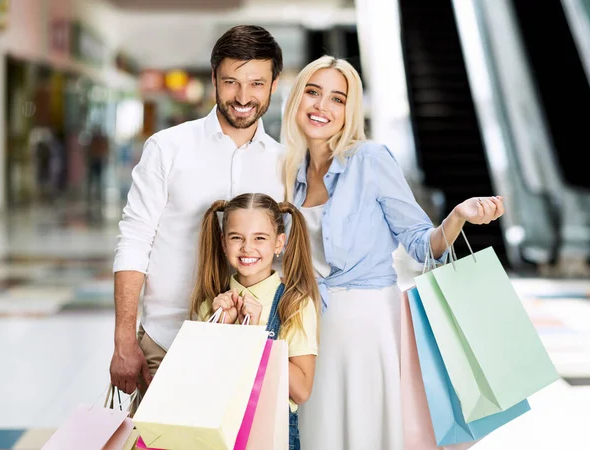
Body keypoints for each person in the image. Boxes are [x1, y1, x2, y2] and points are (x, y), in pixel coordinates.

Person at [281, 55, 505, 450]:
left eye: (338, 98)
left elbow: (421, 243)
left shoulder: (369, 159)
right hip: (312, 329)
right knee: (320, 435)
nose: (322, 107)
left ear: (350, 110)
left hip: (369, 325)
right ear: (297, 97)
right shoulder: (291, 176)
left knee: (371, 433)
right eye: (313, 93)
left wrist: (457, 216)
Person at [109, 25, 285, 400]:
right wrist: (125, 339)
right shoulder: (167, 148)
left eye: (256, 83)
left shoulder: (285, 163)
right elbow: (135, 240)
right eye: (231, 82)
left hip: (252, 348)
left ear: (274, 83)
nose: (242, 96)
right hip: (168, 338)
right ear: (214, 80)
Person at [190, 192, 320, 449]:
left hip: (272, 436)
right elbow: (197, 379)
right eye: (236, 238)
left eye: (260, 238)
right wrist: (217, 330)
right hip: (216, 435)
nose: (247, 248)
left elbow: (302, 390)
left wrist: (258, 334)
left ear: (279, 243)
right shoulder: (211, 305)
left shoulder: (296, 304)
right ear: (223, 242)